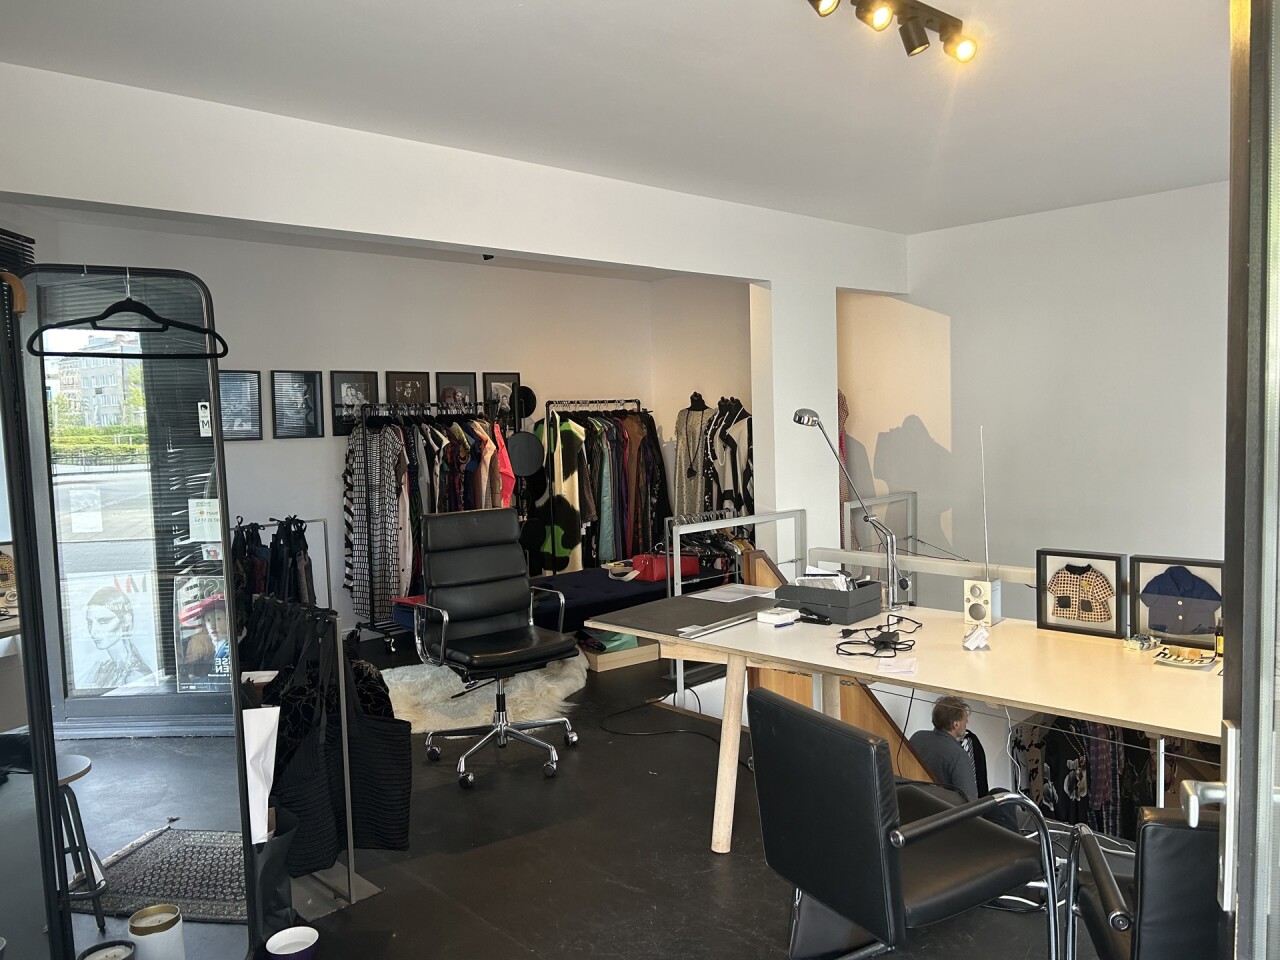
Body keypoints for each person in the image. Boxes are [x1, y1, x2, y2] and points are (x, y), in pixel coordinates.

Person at [909, 696, 1021, 830]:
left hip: (916, 809)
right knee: (1001, 795)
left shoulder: (917, 737)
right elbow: (971, 803)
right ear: (956, 724)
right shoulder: (958, 754)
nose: (967, 722)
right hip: (949, 820)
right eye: (964, 720)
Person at [83, 585, 150, 689]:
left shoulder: (135, 676)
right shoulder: (104, 668)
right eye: (90, 622)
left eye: (103, 621)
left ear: (126, 620)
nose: (93, 631)